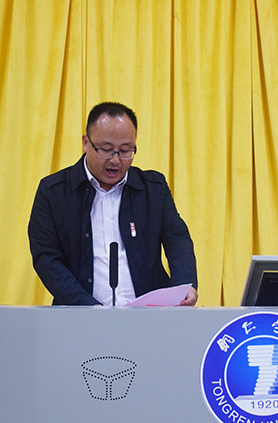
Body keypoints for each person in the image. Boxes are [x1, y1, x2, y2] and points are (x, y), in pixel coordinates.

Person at [28, 102, 198, 306]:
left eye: (125, 151)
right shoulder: (54, 192)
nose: (115, 160)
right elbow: (47, 258)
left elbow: (177, 239)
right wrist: (88, 307)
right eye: (106, 150)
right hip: (80, 314)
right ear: (86, 143)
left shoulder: (153, 188)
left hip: (149, 314)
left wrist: (184, 284)